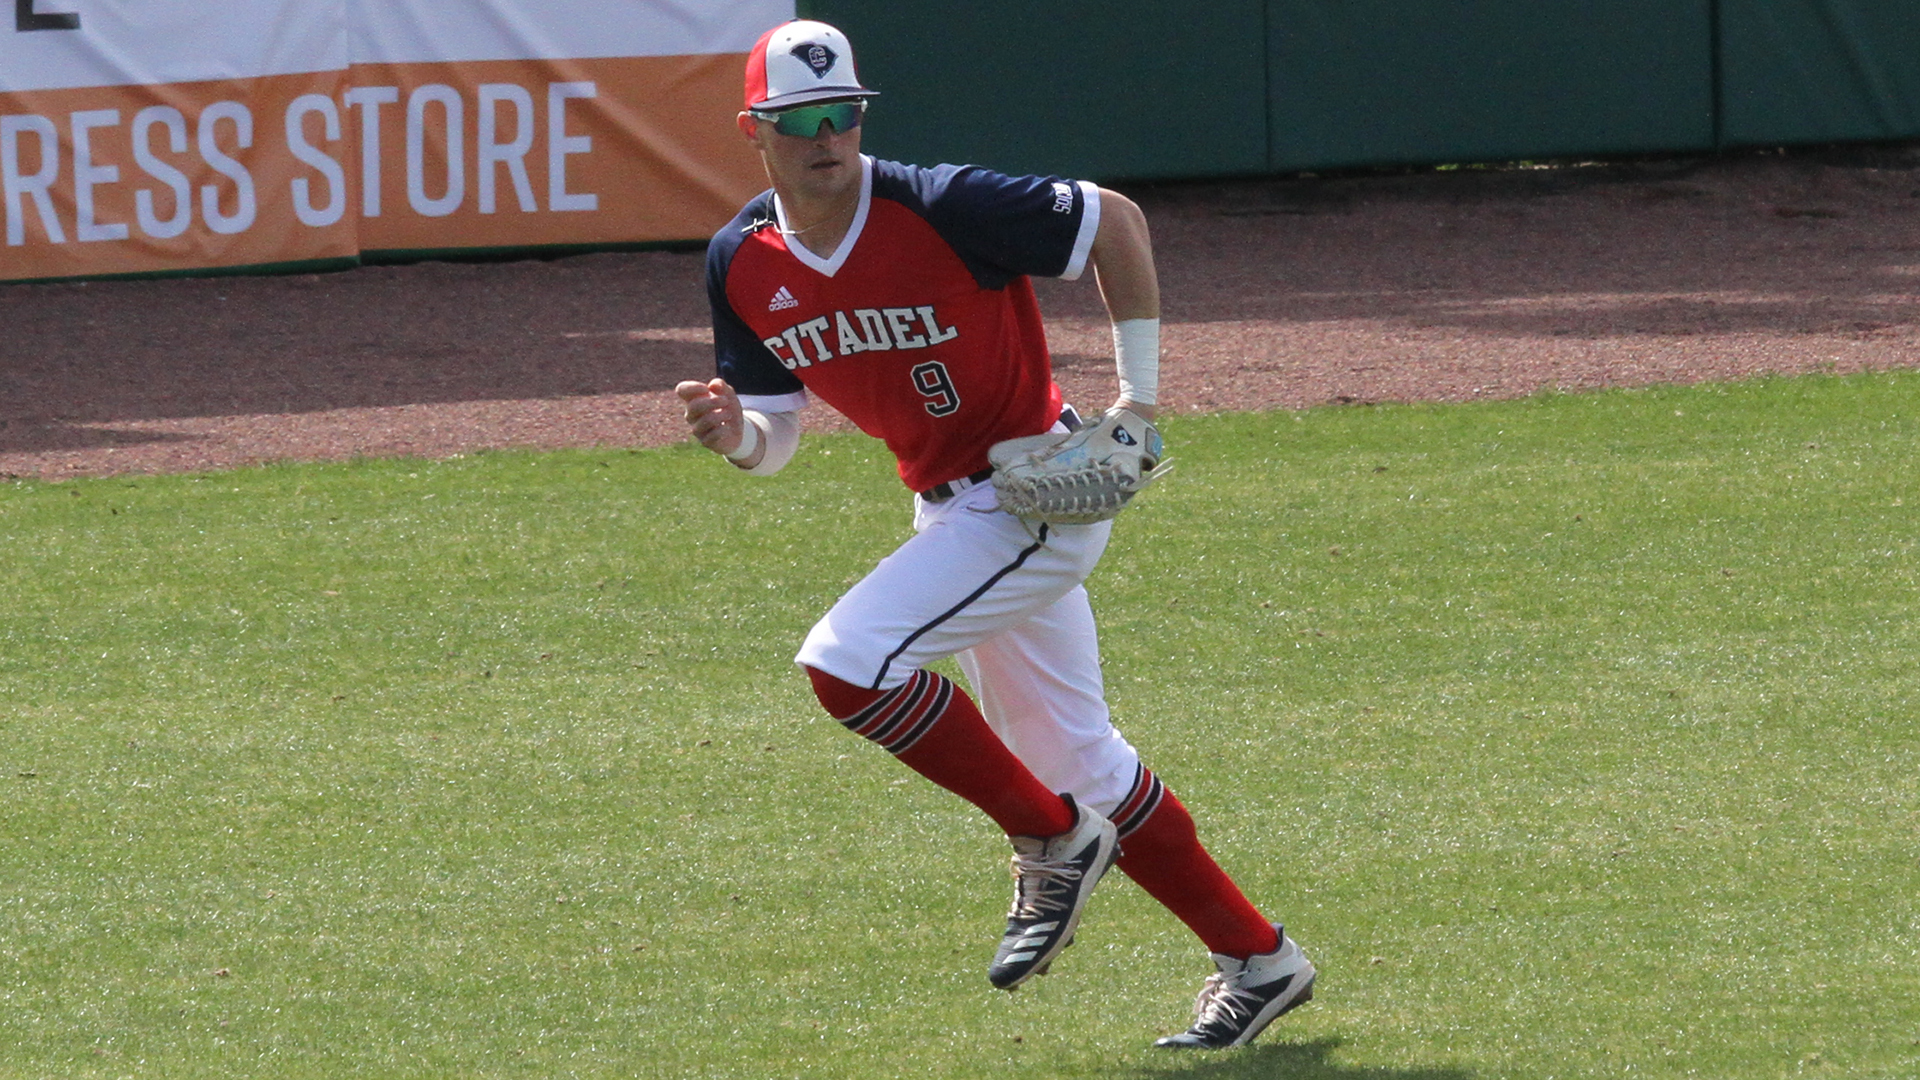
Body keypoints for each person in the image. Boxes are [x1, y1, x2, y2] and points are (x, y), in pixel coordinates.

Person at [676, 19, 1314, 1049]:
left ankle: (1051, 841)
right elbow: (775, 436)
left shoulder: (938, 204)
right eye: (802, 120)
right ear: (756, 129)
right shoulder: (741, 258)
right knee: (1088, 763)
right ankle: (1259, 960)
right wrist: (731, 436)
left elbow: (1115, 220)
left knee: (847, 664)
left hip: (1033, 497)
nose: (827, 136)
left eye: (844, 113)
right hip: (955, 512)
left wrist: (1139, 403)